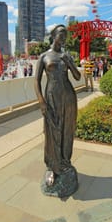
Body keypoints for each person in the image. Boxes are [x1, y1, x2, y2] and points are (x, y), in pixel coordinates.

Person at [34, 24, 81, 197]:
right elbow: (36, 81)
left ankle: (65, 162)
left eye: (66, 35)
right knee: (52, 132)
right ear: (54, 35)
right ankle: (52, 166)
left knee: (67, 131)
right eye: (61, 34)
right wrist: (41, 101)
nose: (64, 37)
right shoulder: (44, 56)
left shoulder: (66, 56)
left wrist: (69, 62)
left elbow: (77, 77)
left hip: (68, 97)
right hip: (52, 97)